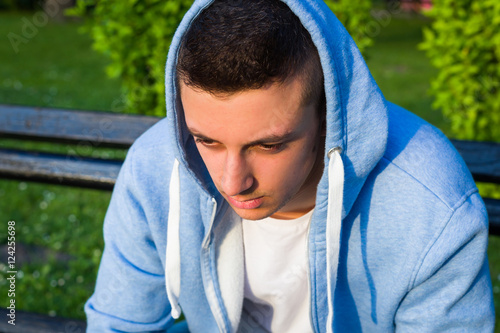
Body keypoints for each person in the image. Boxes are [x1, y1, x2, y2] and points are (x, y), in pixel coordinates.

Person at [85, 0, 495, 331]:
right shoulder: (155, 166)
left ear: (326, 116)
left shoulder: (431, 206)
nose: (233, 182)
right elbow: (119, 323)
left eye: (269, 145)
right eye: (206, 140)